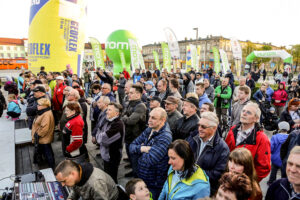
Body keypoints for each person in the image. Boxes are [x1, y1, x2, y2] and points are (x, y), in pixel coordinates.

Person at [129, 107, 172, 199]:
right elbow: (131, 146)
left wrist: (137, 152)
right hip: (143, 177)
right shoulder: (150, 129)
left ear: (163, 120)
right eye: (149, 117)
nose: (149, 120)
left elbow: (150, 160)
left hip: (154, 182)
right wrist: (143, 148)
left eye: (153, 118)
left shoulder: (165, 137)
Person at [225, 102, 271, 182]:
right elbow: (225, 154)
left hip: (245, 184)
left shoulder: (262, 139)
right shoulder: (232, 130)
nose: (244, 114)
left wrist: (248, 182)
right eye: (243, 111)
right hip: (229, 178)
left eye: (248, 112)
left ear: (256, 119)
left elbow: (264, 168)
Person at [187, 112, 229, 194]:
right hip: (187, 184)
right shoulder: (193, 137)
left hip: (205, 190)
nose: (199, 129)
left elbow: (218, 174)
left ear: (214, 128)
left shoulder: (222, 148)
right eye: (199, 125)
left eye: (203, 126)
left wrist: (195, 172)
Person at [55, 160, 120, 200]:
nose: (62, 185)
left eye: (64, 181)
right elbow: (75, 189)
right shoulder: (77, 173)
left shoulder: (96, 183)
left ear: (73, 174)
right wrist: (70, 198)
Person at [95, 102, 125, 183]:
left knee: (111, 179)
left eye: (109, 110)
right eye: (107, 109)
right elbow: (99, 131)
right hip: (106, 155)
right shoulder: (108, 120)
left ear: (117, 113)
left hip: (112, 157)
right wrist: (100, 135)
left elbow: (102, 140)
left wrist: (99, 136)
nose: (106, 112)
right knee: (107, 176)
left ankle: (115, 193)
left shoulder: (118, 125)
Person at [122, 84, 147, 177]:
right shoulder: (130, 103)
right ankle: (133, 170)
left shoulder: (140, 106)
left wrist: (125, 117)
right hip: (128, 135)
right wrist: (125, 117)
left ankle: (137, 176)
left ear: (138, 94)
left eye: (131, 93)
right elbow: (123, 115)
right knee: (130, 156)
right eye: (129, 92)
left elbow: (130, 121)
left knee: (135, 158)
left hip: (136, 137)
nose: (129, 94)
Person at [31, 98, 55, 169]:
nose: (37, 106)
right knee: (47, 152)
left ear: (45, 105)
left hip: (44, 138)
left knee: (48, 153)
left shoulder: (46, 114)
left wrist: (37, 135)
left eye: (39, 104)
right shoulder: (43, 112)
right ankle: (50, 166)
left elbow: (44, 128)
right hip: (44, 138)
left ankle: (52, 168)